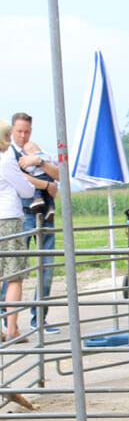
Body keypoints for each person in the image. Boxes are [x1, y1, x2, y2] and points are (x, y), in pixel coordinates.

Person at [7, 113, 61, 332]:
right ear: (12, 131)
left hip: (44, 215)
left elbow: (58, 174)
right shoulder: (7, 154)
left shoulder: (35, 152)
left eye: (27, 131)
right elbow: (17, 177)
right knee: (13, 269)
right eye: (19, 131)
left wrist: (38, 161)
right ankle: (7, 320)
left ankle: (39, 318)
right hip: (21, 213)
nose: (23, 135)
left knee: (46, 265)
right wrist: (46, 186)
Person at [0, 120, 39, 341]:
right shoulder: (6, 159)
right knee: (14, 276)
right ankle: (12, 327)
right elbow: (25, 190)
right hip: (8, 218)